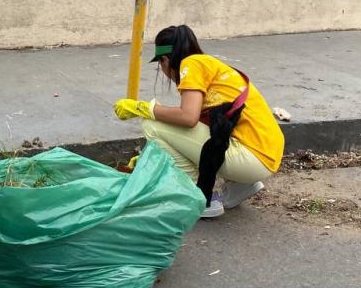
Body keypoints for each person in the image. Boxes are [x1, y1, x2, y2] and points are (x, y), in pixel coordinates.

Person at [113, 25, 284, 219]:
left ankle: (196, 194)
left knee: (151, 125)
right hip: (266, 154)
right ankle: (240, 186)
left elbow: (188, 118)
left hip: (251, 158)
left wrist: (144, 109)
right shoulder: (210, 65)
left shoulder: (190, 64)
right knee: (175, 124)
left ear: (165, 59)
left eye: (160, 64)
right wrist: (151, 155)